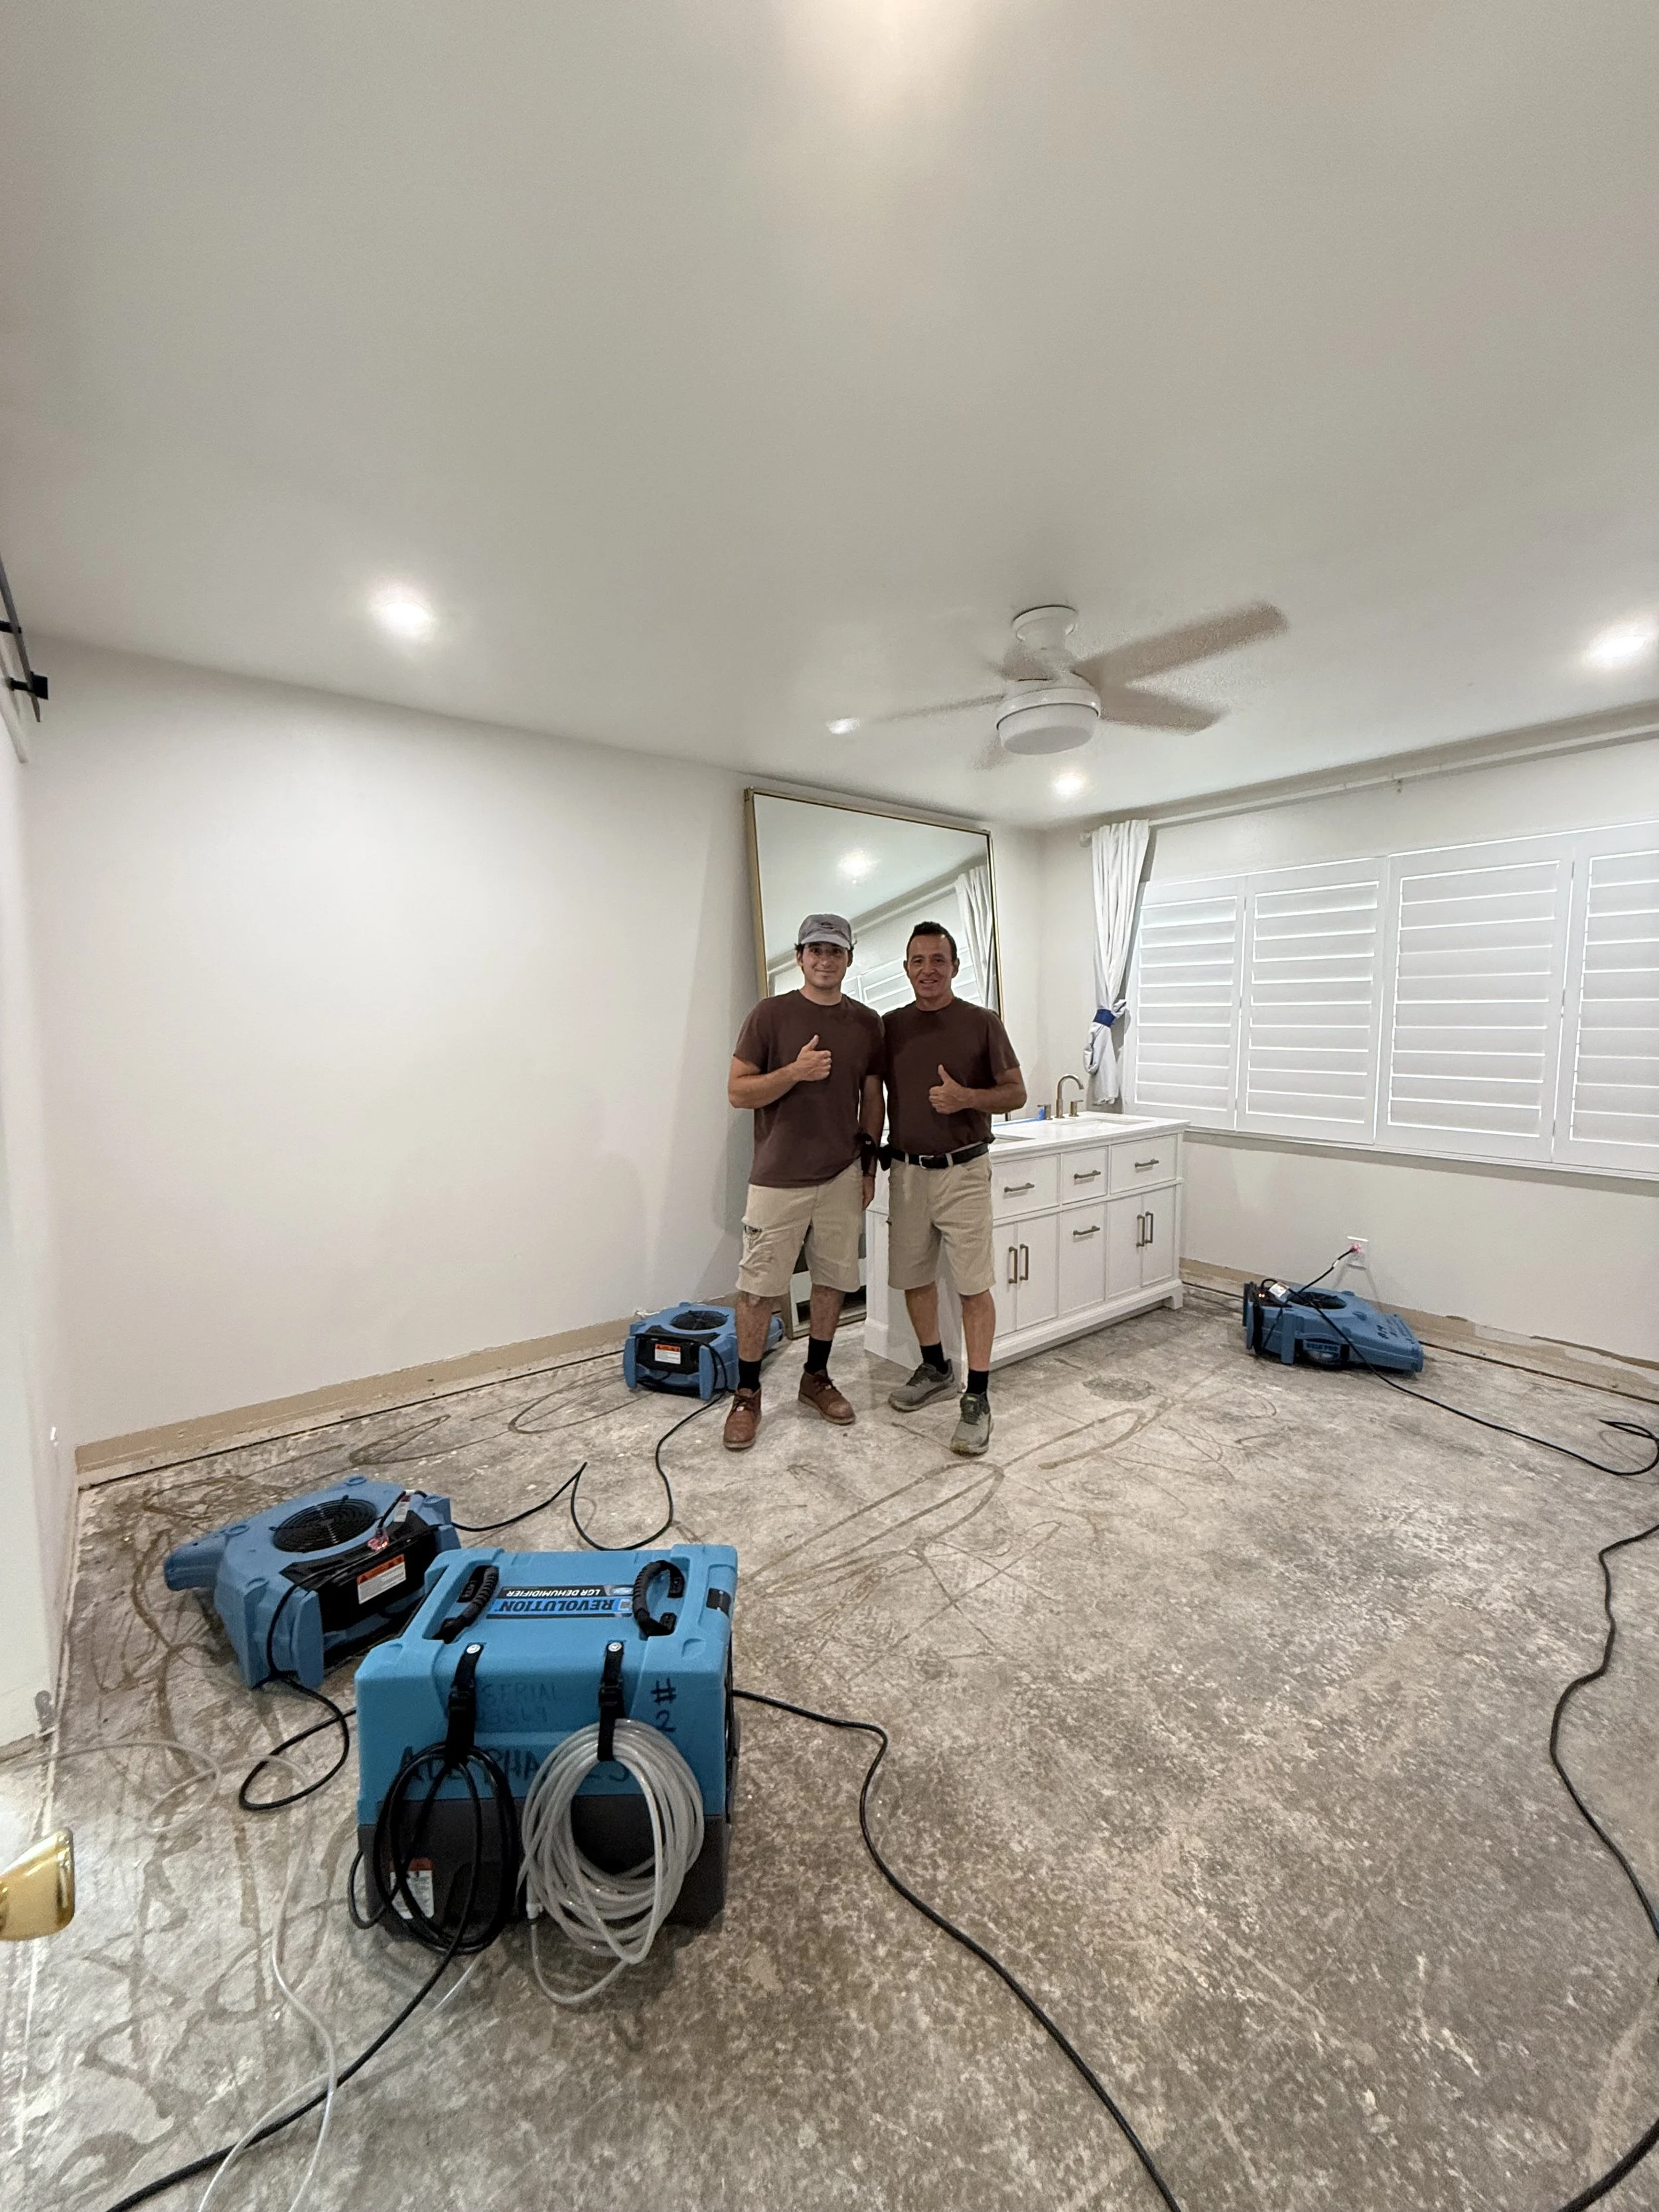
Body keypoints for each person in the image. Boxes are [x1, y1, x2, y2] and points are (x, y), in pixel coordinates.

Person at [724, 913, 885, 1451]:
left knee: (833, 1280)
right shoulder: (769, 1015)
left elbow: (873, 1098)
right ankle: (747, 1394)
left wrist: (867, 1164)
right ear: (799, 957)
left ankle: (815, 1376)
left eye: (835, 951)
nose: (824, 959)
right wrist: (794, 1072)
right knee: (757, 1290)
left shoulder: (867, 1023)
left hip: (841, 1173)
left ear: (848, 960)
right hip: (777, 1177)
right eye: (815, 949)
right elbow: (738, 1091)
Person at [881, 921, 1026, 1456]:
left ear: (955, 966)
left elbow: (1015, 1090)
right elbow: (872, 1091)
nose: (928, 970)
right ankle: (935, 1365)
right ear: (906, 969)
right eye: (917, 960)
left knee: (972, 1286)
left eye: (938, 960)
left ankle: (979, 1396)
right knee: (914, 1278)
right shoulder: (890, 1026)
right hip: (908, 1172)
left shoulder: (982, 1023)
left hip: (964, 1171)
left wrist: (966, 1097)